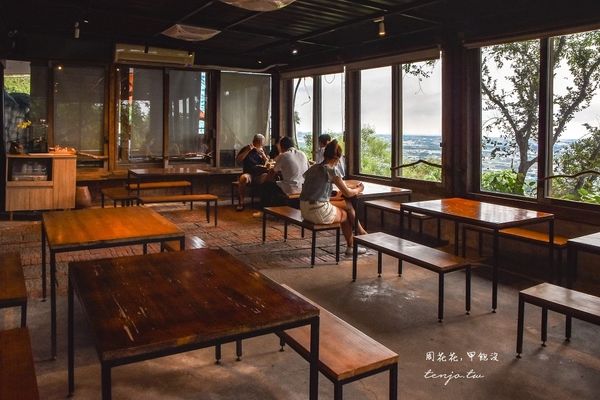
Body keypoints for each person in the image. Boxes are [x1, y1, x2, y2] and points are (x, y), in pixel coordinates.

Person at [300, 139, 368, 256]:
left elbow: (315, 191)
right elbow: (347, 193)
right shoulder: (331, 170)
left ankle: (361, 232)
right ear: (337, 158)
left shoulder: (314, 168)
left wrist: (335, 196)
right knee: (346, 215)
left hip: (304, 208)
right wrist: (359, 189)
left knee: (347, 204)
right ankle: (352, 245)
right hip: (316, 211)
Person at [235, 133, 269, 211]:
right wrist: (247, 151)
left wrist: (263, 155)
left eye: (262, 142)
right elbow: (238, 161)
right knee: (243, 178)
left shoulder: (263, 150)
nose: (261, 144)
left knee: (268, 176)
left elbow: (268, 163)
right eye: (259, 142)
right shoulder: (246, 149)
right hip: (249, 174)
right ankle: (241, 202)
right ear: (254, 141)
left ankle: (264, 202)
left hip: (259, 175)